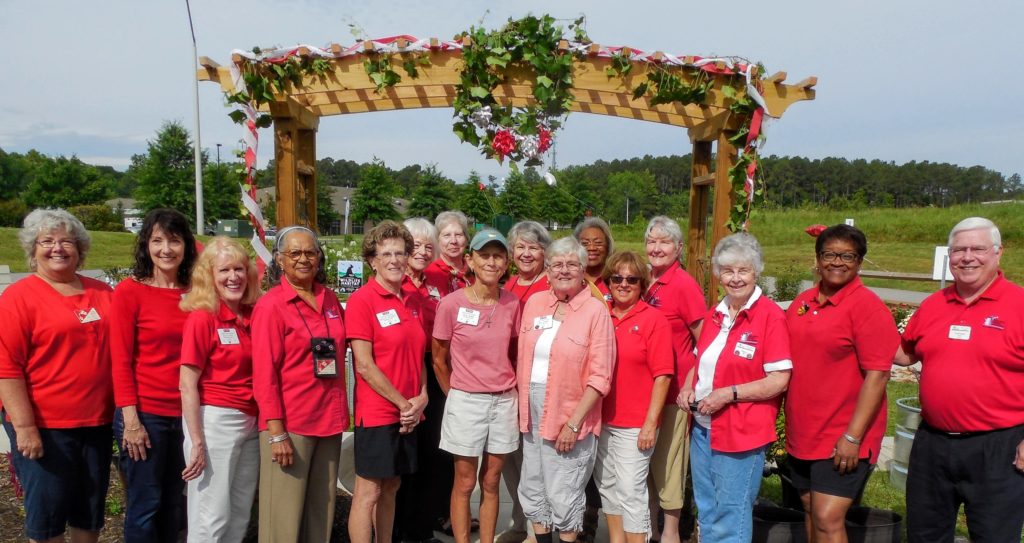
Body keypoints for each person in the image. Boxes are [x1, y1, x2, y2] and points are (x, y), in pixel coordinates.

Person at [896, 217, 1024, 542]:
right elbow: (905, 354)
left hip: (998, 447)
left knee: (994, 536)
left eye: (978, 249)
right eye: (959, 250)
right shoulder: (934, 304)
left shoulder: (1019, 304)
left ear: (998, 254)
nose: (967, 257)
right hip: (932, 443)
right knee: (925, 535)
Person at [0, 209, 113, 543]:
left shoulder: (103, 291)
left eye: (66, 241)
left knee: (88, 513)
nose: (57, 248)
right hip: (46, 427)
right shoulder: (19, 298)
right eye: (46, 241)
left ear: (80, 248)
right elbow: (7, 369)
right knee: (47, 518)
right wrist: (24, 427)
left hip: (97, 423)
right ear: (33, 251)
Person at [785, 224, 897, 543]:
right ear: (817, 259)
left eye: (847, 256)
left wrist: (853, 436)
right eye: (829, 254)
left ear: (860, 261)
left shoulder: (867, 307)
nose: (837, 262)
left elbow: (878, 375)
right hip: (804, 430)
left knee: (827, 517)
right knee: (809, 509)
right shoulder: (803, 302)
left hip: (842, 434)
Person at [678, 232, 791, 543]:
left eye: (743, 270)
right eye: (728, 271)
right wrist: (688, 387)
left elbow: (779, 379)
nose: (735, 278)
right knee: (707, 508)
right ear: (718, 274)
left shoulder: (769, 317)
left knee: (731, 514)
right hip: (703, 428)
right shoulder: (716, 313)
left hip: (741, 432)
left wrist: (730, 394)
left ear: (756, 272)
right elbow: (698, 361)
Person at [252, 226, 348, 543]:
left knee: (321, 512)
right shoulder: (271, 306)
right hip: (291, 425)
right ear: (280, 259)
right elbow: (264, 375)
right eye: (295, 253)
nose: (303, 259)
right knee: (283, 518)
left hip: (329, 421)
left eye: (310, 252)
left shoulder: (330, 298)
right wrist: (276, 432)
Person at [516, 237, 615, 543]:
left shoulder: (595, 312)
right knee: (533, 488)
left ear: (584, 269)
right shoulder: (535, 304)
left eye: (572, 264)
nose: (564, 270)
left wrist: (573, 423)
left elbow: (601, 377)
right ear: (547, 270)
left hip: (569, 415)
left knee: (564, 493)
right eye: (557, 264)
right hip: (532, 417)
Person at [110, 208, 198, 542]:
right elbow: (119, 361)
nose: (166, 249)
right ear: (146, 245)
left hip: (187, 415)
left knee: (175, 503)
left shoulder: (196, 293)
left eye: (174, 240)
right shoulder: (130, 293)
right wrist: (131, 421)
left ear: (186, 245)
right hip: (146, 415)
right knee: (145, 503)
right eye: (157, 240)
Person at [433, 229, 522, 543]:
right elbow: (439, 358)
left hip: (503, 401)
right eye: (484, 255)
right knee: (465, 481)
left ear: (506, 262)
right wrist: (456, 393)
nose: (491, 261)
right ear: (470, 260)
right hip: (466, 401)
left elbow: (513, 353)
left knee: (492, 480)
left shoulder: (512, 304)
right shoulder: (451, 304)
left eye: (498, 255)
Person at [346, 220, 429, 543]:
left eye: (400, 253)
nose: (394, 260)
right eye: (386, 254)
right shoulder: (362, 300)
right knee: (369, 490)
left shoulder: (412, 299)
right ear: (372, 260)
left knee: (393, 485)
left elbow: (418, 356)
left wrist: (421, 397)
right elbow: (364, 366)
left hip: (408, 413)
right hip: (379, 412)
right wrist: (402, 403)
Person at [178, 237, 262, 542]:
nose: (233, 277)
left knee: (239, 511)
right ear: (209, 276)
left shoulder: (251, 317)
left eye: (239, 269)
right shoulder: (203, 318)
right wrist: (196, 440)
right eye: (224, 270)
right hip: (216, 421)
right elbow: (187, 384)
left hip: (250, 421)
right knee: (210, 515)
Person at [595, 251, 674, 543]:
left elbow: (663, 375)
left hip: (634, 424)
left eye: (632, 279)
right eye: (617, 278)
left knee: (631, 490)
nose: (623, 284)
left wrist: (651, 423)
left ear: (642, 284)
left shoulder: (654, 320)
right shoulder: (600, 316)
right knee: (608, 486)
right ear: (608, 282)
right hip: (601, 420)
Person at [642, 216, 706, 543]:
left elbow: (704, 340)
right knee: (647, 468)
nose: (656, 248)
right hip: (643, 393)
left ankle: (670, 534)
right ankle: (651, 532)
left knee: (669, 467)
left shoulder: (683, 285)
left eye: (664, 242)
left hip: (673, 394)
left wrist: (692, 383)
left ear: (678, 247)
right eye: (652, 241)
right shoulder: (643, 280)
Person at [393, 217, 452, 543]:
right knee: (406, 453)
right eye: (416, 244)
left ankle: (423, 526)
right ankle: (399, 526)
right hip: (404, 370)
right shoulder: (395, 281)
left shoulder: (436, 281)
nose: (423, 250)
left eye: (430, 245)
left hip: (435, 366)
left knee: (435, 452)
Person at [498, 220, 552, 543]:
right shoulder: (508, 286)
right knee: (511, 459)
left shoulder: (551, 286)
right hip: (508, 384)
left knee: (535, 462)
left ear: (544, 252)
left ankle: (537, 528)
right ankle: (520, 520)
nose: (526, 253)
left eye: (533, 247)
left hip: (539, 384)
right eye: (520, 247)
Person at [424, 211, 472, 296]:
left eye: (458, 235)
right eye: (447, 235)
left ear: (466, 239)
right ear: (437, 240)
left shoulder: (474, 270)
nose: (453, 241)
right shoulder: (430, 273)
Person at [574, 217, 614, 302]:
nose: (591, 248)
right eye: (585, 243)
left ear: (608, 246)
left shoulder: (618, 280)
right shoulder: (570, 279)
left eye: (598, 243)